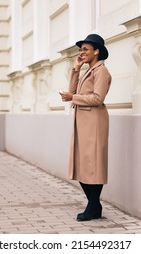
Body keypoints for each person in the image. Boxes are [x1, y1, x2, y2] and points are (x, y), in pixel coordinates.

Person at [59, 34, 112, 221]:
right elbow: (72, 92)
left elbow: (98, 98)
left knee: (93, 164)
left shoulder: (101, 71)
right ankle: (94, 206)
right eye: (81, 50)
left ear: (96, 51)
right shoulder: (88, 71)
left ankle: (93, 206)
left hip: (95, 123)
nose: (82, 53)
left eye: (85, 49)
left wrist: (72, 98)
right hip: (82, 122)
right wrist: (76, 68)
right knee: (81, 164)